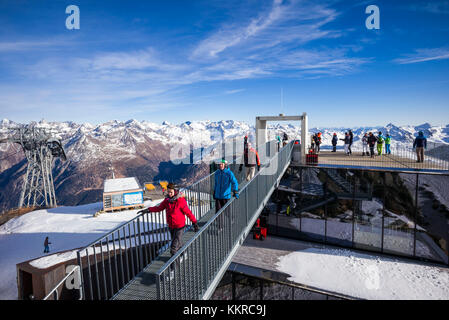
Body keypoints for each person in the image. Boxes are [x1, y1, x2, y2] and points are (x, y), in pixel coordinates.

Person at [138, 183, 199, 257]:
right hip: (171, 226)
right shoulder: (167, 201)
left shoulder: (180, 201)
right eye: (168, 192)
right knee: (177, 242)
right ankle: (184, 252)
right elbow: (159, 208)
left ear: (175, 191)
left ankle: (174, 267)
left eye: (171, 192)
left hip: (180, 226)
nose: (169, 194)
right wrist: (148, 210)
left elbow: (188, 213)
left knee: (173, 248)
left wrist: (195, 223)